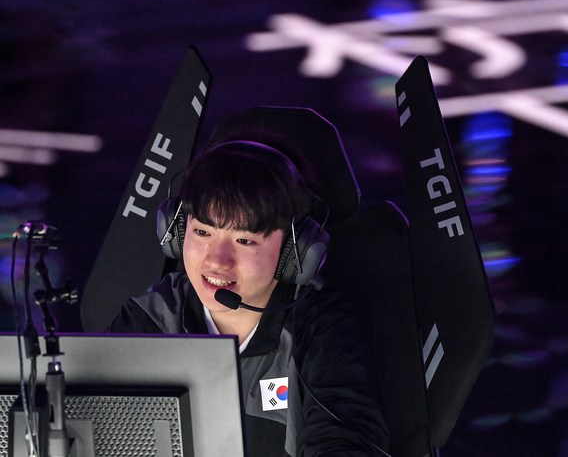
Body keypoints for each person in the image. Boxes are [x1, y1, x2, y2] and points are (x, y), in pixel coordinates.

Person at [107, 138, 390, 456]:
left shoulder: (322, 330)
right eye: (202, 232)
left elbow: (344, 442)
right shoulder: (150, 318)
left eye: (244, 240)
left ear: (293, 251)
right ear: (176, 232)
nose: (217, 261)